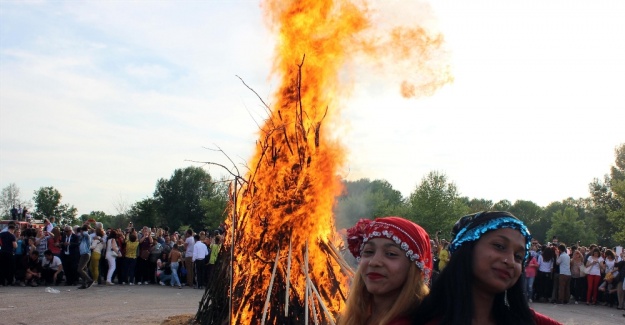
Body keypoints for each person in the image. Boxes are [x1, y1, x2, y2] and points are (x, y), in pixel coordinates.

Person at [412, 211, 561, 325]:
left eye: (518, 256)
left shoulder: (532, 322)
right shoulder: (418, 319)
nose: (509, 261)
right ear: (467, 248)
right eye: (499, 246)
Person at [338, 216, 432, 325]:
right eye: (368, 252)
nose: (374, 262)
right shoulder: (355, 317)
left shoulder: (424, 321)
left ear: (414, 267)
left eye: (391, 254)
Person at [76, 225, 93, 289]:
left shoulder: (86, 236)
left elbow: (85, 234)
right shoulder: (83, 237)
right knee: (84, 269)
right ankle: (84, 284)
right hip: (83, 254)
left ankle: (89, 280)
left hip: (85, 254)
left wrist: (84, 230)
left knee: (80, 269)